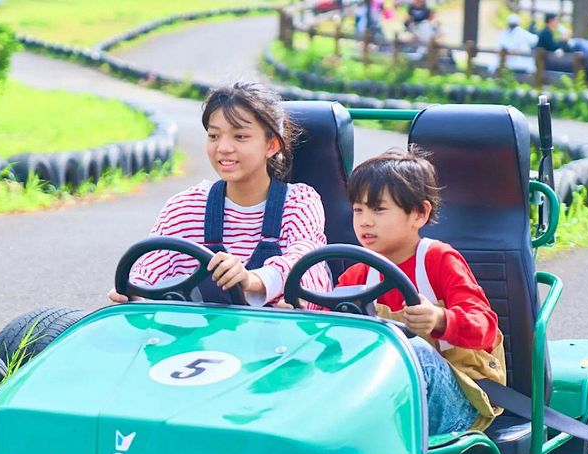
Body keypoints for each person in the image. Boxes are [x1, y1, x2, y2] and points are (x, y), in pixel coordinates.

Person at [108, 82, 332, 305]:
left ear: (272, 145)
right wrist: (134, 292)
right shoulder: (185, 208)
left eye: (240, 136)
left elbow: (306, 264)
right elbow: (148, 269)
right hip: (198, 328)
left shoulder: (298, 203)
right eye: (214, 136)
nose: (223, 148)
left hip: (277, 327)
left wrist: (252, 280)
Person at [334, 149, 506, 435]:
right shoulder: (358, 274)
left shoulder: (438, 260)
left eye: (378, 209)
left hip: (461, 399)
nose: (365, 221)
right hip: (386, 398)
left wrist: (440, 319)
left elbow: (485, 327)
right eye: (358, 210)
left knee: (411, 351)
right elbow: (330, 330)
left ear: (419, 214)